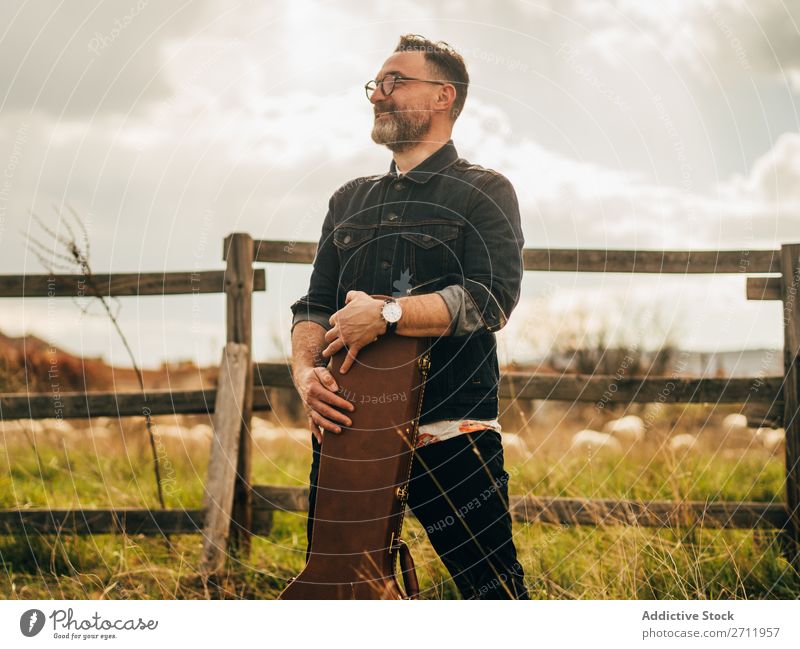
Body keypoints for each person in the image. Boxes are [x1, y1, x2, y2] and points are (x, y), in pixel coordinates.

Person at [290, 34, 528, 600]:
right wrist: (304, 375)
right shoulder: (349, 199)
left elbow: (491, 298)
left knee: (492, 596)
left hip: (451, 431)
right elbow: (314, 306)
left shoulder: (485, 191)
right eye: (377, 83)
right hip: (348, 437)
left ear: (444, 95)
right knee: (338, 596)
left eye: (396, 81)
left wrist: (388, 314)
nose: (379, 94)